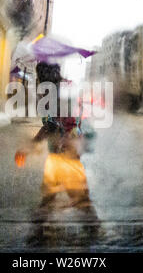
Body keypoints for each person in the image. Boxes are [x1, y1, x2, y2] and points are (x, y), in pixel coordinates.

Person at [15, 62, 99, 244]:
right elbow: (52, 125)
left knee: (77, 198)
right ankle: (39, 233)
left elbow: (56, 125)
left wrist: (29, 147)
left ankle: (94, 234)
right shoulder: (61, 91)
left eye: (41, 78)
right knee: (54, 197)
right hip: (62, 156)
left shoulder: (57, 95)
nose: (40, 82)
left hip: (66, 156)